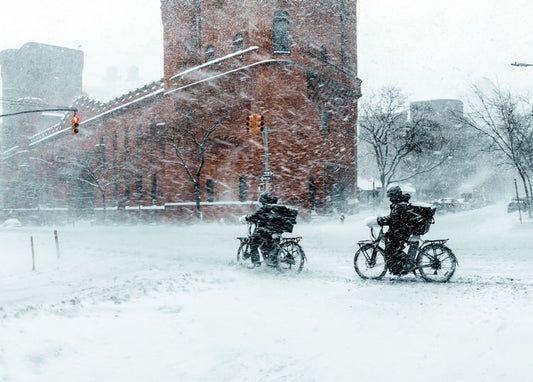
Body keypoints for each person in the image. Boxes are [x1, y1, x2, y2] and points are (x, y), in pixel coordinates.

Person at [377, 186, 413, 275]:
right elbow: (394, 218)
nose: (389, 198)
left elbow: (394, 219)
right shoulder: (400, 203)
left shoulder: (400, 205)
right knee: (392, 248)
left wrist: (382, 220)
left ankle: (401, 268)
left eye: (391, 196)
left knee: (391, 249)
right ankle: (398, 268)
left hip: (400, 231)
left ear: (395, 195)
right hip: (401, 230)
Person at [244, 191, 280, 268]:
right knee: (267, 245)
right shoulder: (278, 208)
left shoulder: (266, 208)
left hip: (266, 232)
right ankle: (271, 261)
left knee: (253, 242)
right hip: (275, 231)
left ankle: (255, 262)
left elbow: (255, 216)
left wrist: (246, 218)